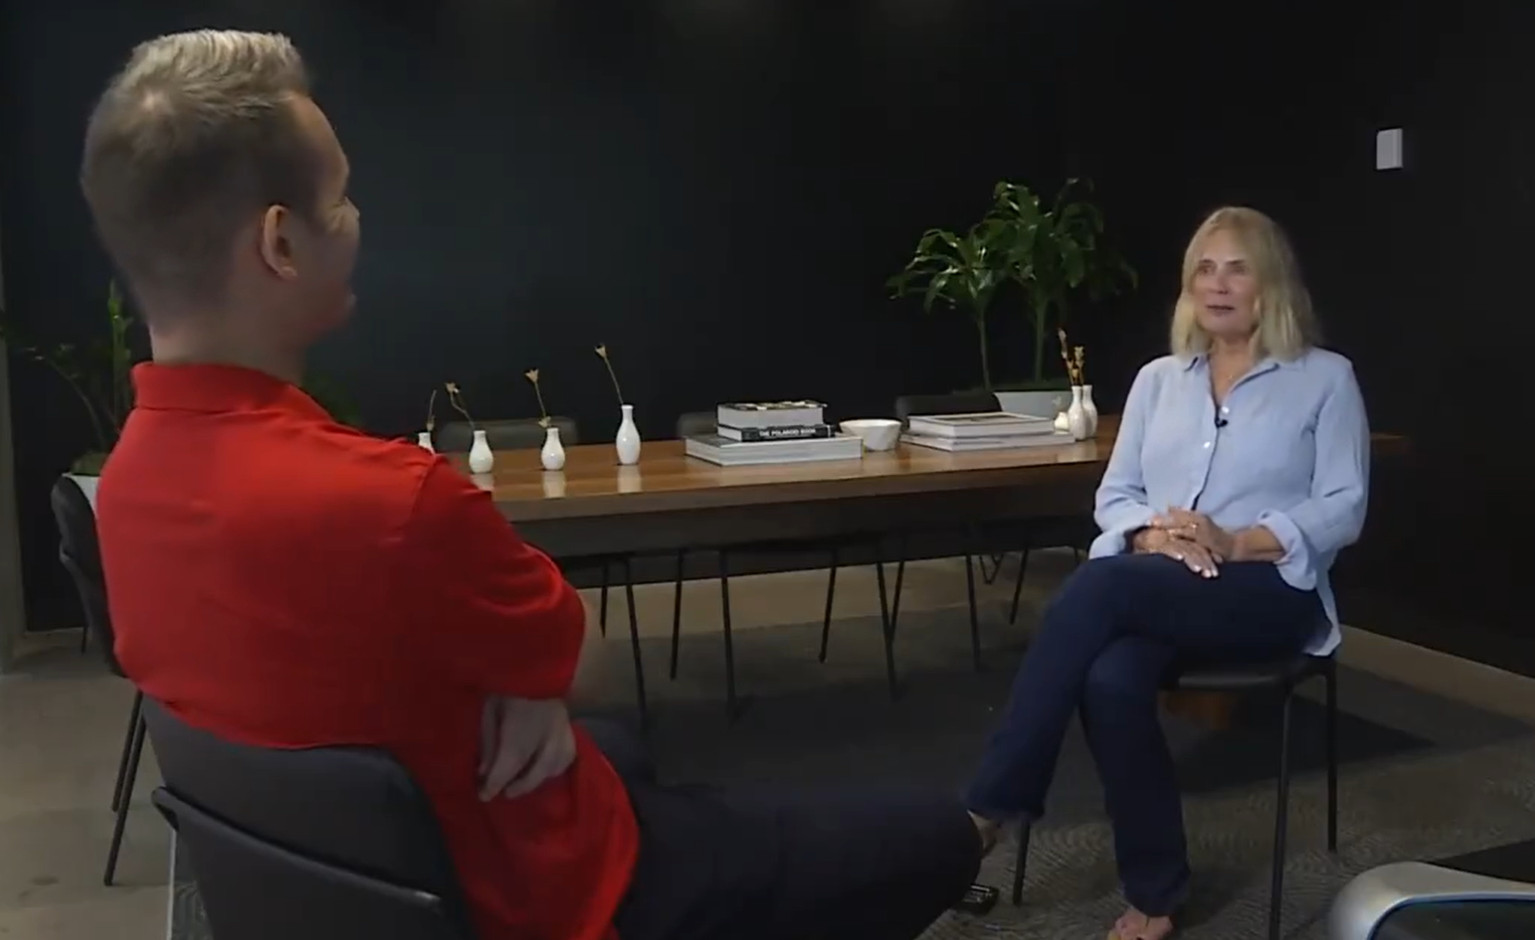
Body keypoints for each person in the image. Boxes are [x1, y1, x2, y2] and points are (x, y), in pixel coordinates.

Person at [84, 30, 984, 940]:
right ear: (281, 241)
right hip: (570, 899)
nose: (356, 218)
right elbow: (583, 661)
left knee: (623, 754)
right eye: (343, 196)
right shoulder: (394, 502)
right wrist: (529, 679)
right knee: (934, 836)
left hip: (376, 891)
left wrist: (523, 683)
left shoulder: (123, 491)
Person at [964, 206, 1370, 940]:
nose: (1217, 286)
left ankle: (990, 807)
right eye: (1203, 270)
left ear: (1269, 283)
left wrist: (1236, 539)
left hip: (1268, 593)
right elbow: (1113, 497)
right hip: (1165, 584)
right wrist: (1153, 535)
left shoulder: (1323, 380)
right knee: (1108, 679)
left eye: (1236, 268)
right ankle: (1156, 890)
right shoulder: (1157, 381)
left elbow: (1344, 508)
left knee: (1099, 586)